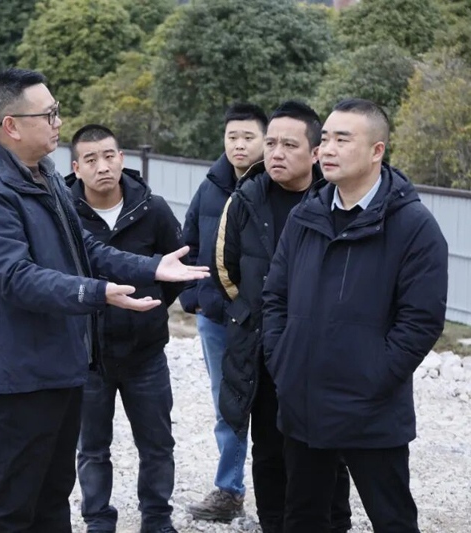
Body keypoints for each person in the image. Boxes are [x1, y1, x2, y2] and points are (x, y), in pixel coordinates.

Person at [0, 68, 208, 533]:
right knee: (9, 508)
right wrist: (97, 293)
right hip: (21, 375)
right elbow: (16, 278)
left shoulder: (43, 176)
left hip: (63, 365)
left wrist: (150, 268)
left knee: (52, 501)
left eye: (57, 112)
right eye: (48, 114)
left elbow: (84, 248)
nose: (58, 122)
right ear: (11, 126)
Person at [262, 98, 448, 533]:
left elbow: (420, 321)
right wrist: (283, 360)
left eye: (342, 140)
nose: (327, 149)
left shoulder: (414, 226)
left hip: (371, 409)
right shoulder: (307, 215)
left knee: (392, 519)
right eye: (325, 139)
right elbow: (275, 297)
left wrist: (374, 376)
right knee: (304, 518)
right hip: (303, 402)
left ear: (376, 150)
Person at [212, 101, 352, 533]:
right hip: (262, 347)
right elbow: (225, 270)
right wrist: (257, 315)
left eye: (289, 145)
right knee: (269, 447)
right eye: (271, 143)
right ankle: (273, 523)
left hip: (323, 350)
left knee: (326, 447)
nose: (276, 153)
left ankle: (335, 523)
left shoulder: (336, 201)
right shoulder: (245, 199)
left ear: (315, 152)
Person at [66, 124, 183, 533]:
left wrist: (150, 313)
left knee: (157, 444)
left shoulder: (153, 209)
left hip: (145, 355)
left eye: (109, 156)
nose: (102, 166)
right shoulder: (64, 213)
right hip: (87, 357)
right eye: (91, 159)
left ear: (122, 159)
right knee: (92, 449)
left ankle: (157, 518)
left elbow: (175, 271)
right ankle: (98, 520)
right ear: (76, 168)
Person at [182, 103, 267, 522]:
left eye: (248, 137)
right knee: (226, 403)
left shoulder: (275, 185)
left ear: (265, 141)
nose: (239, 145)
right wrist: (194, 298)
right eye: (232, 136)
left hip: (263, 319)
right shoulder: (211, 186)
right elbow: (188, 242)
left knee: (273, 404)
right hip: (216, 318)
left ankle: (279, 491)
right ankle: (229, 490)